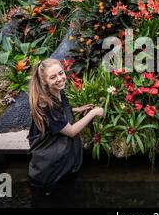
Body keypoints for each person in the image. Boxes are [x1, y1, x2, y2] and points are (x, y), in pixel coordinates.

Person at [27, 58, 104, 189]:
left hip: (59, 162)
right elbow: (71, 131)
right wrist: (94, 113)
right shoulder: (45, 103)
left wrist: (76, 109)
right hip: (49, 170)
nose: (59, 79)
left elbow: (59, 112)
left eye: (61, 73)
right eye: (53, 77)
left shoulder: (57, 91)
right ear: (45, 81)